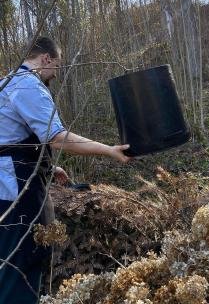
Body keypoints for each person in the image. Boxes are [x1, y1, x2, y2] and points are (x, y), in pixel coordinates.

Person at [0, 36, 131, 303]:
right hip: (16, 193)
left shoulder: (5, 83)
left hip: (5, 190)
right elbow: (58, 137)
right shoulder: (27, 86)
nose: (56, 75)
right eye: (57, 67)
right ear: (46, 59)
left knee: (6, 263)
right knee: (21, 263)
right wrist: (109, 150)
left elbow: (8, 141)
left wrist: (49, 166)